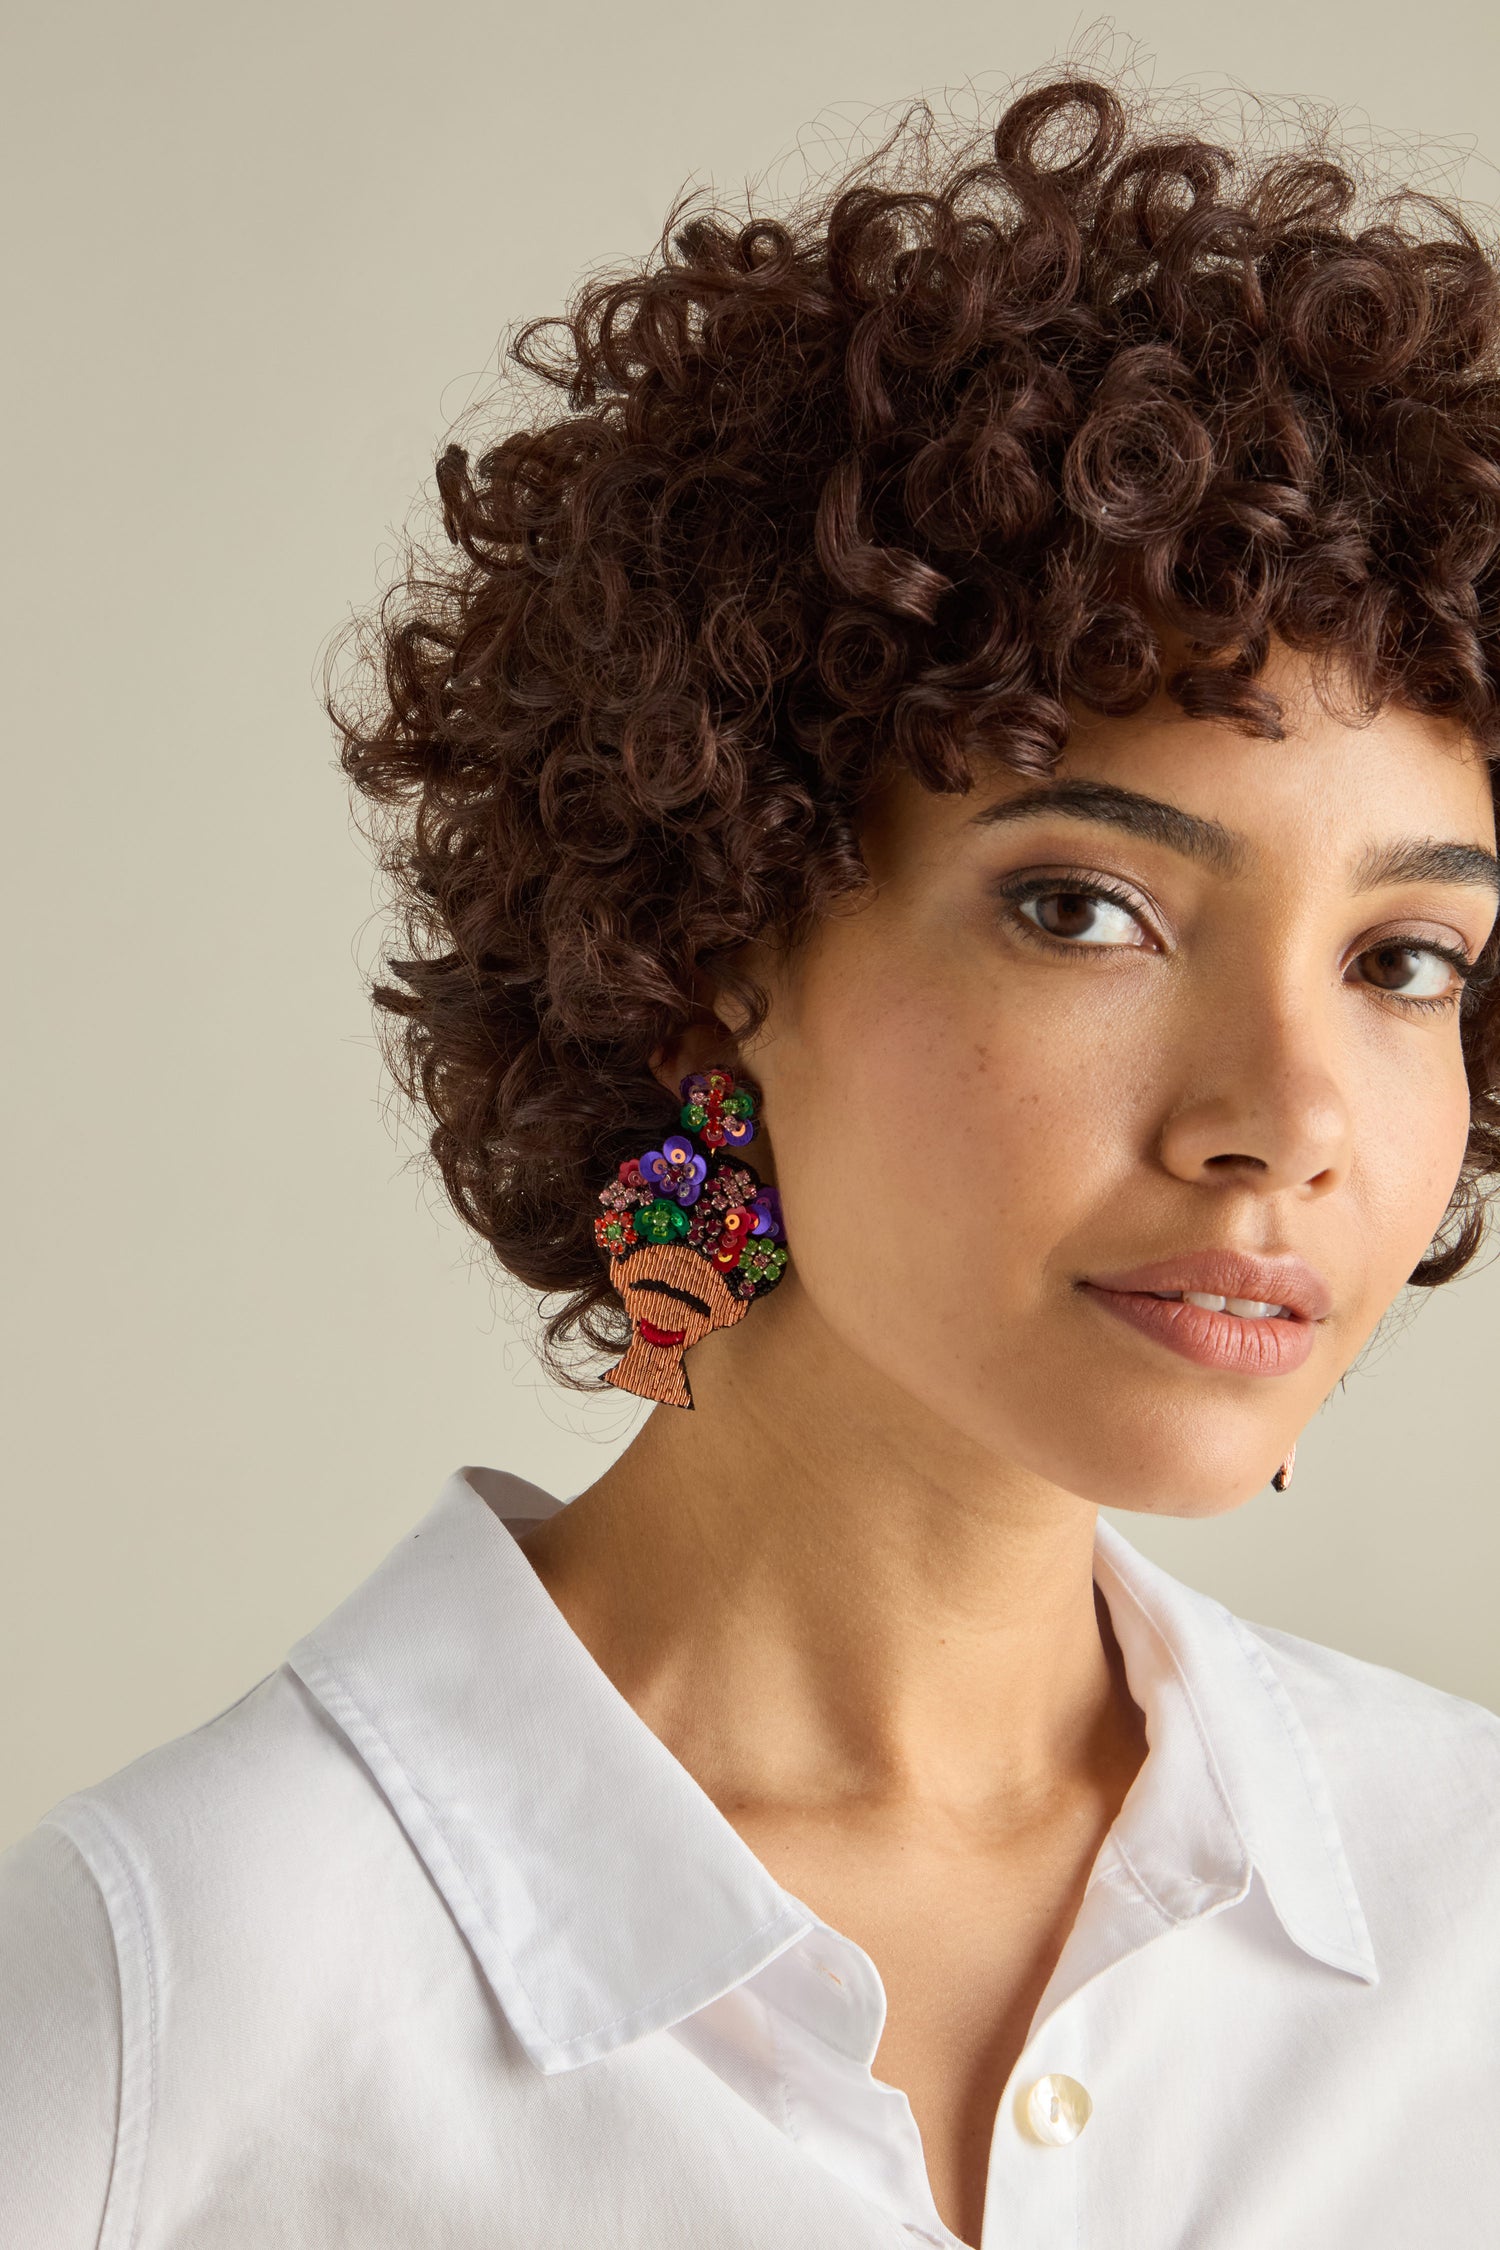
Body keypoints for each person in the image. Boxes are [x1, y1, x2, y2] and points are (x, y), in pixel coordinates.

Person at [5, 67, 1500, 2250]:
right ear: (720, 942)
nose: (1284, 1118)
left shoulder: (1471, 1921)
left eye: (1405, 958)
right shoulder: (173, 2007)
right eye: (1088, 906)